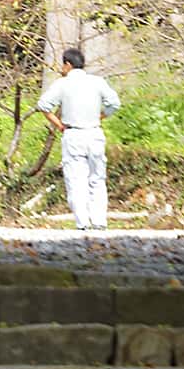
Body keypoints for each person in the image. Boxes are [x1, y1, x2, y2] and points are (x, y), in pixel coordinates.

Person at [38, 47, 121, 231]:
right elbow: (114, 104)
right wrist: (102, 116)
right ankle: (99, 221)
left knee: (76, 179)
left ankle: (82, 222)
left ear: (68, 64)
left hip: (73, 134)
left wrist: (59, 125)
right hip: (94, 133)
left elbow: (43, 105)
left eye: (63, 64)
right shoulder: (97, 82)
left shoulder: (62, 84)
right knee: (97, 178)